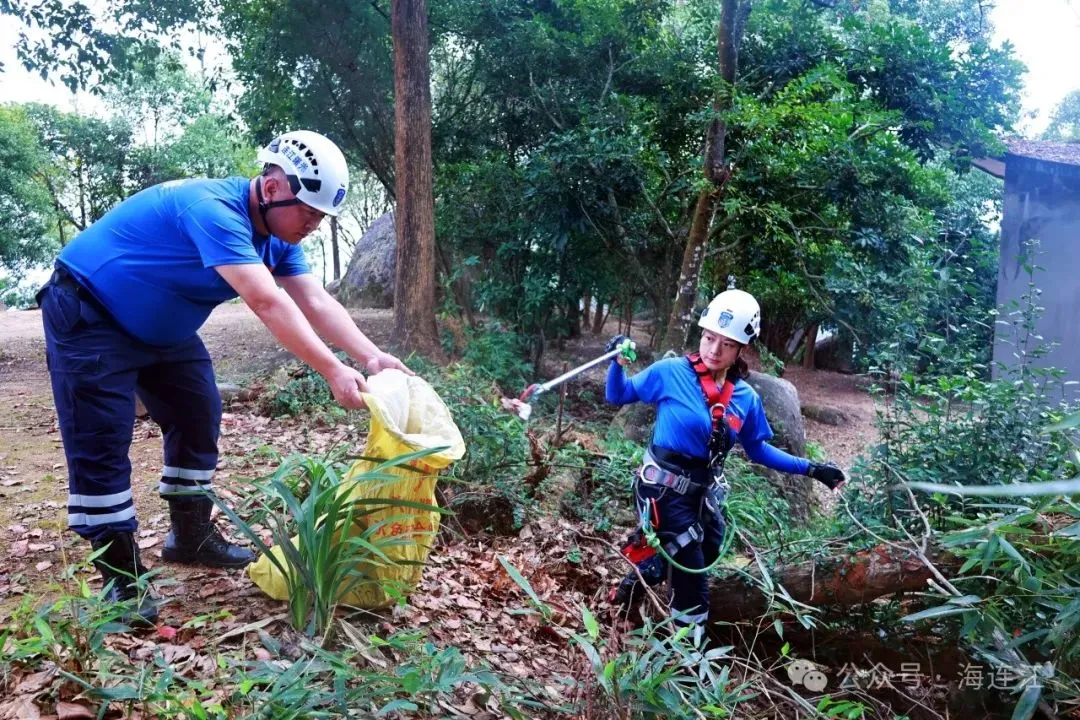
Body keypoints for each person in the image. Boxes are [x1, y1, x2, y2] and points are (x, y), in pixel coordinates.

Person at [36, 130, 410, 624]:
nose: (314, 225)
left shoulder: (277, 237)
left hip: (163, 331)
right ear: (273, 188)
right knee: (101, 439)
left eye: (322, 217)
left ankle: (189, 537)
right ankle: (121, 578)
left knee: (199, 413)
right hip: (89, 313)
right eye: (309, 212)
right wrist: (332, 370)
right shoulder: (213, 209)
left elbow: (314, 300)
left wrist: (371, 357)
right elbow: (266, 301)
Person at [605, 289, 845, 632]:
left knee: (710, 544)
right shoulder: (671, 372)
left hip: (700, 494)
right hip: (662, 490)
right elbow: (618, 395)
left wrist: (813, 469)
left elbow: (759, 450)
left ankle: (638, 581)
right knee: (693, 579)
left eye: (726, 344)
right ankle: (687, 658)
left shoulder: (745, 398)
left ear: (741, 349)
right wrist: (616, 363)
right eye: (708, 338)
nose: (714, 350)